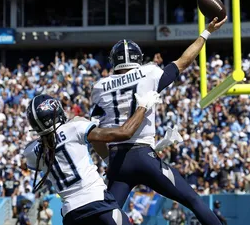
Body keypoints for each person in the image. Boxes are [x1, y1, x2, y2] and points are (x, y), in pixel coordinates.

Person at [90, 16, 227, 225]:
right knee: (192, 200)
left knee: (108, 218)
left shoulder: (99, 87)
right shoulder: (149, 73)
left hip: (118, 162)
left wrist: (109, 161)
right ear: (138, 58)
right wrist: (206, 32)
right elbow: (184, 61)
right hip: (144, 157)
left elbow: (95, 136)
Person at [24, 92, 160, 225]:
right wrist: (142, 107)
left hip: (71, 214)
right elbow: (124, 132)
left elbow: (46, 144)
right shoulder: (74, 128)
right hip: (98, 202)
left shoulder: (31, 152)